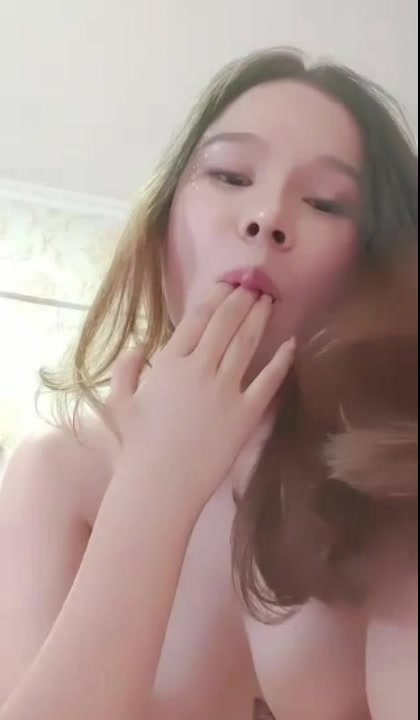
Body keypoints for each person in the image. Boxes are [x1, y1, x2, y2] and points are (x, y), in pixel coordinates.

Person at [0, 47, 417, 720]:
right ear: (163, 222)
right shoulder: (60, 473)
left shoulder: (390, 478)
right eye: (229, 175)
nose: (267, 216)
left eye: (324, 203)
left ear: (368, 268)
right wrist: (156, 483)